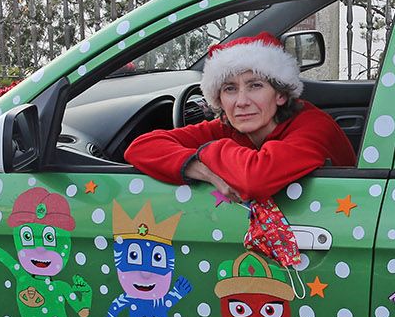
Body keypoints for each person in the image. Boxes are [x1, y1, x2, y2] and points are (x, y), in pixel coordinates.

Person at [125, 32, 355, 201]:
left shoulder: (313, 126)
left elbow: (255, 179)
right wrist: (200, 168)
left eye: (255, 85)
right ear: (219, 99)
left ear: (281, 95)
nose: (241, 101)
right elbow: (140, 148)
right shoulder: (229, 127)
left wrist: (209, 150)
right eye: (230, 89)